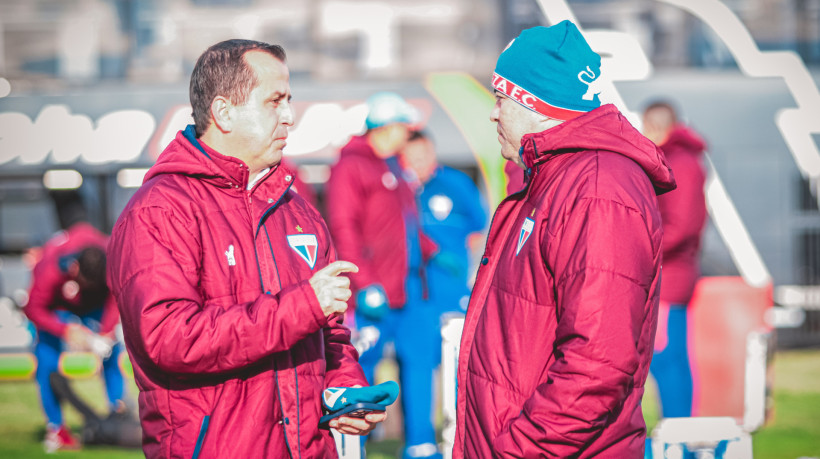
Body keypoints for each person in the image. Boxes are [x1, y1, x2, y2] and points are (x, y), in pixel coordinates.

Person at [106, 39, 383, 458]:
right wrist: (303, 305)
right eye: (275, 101)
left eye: (289, 100)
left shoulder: (299, 212)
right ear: (223, 112)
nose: (289, 116)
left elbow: (329, 334)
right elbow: (167, 338)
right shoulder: (160, 210)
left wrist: (344, 386)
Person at [454, 21, 676, 458]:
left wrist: (517, 449)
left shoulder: (598, 190)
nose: (493, 113)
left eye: (501, 98)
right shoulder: (552, 177)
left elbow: (598, 364)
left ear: (533, 103)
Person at [325, 92, 440, 459]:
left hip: (409, 289)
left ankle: (421, 445)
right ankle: (350, 448)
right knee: (358, 372)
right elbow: (344, 228)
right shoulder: (351, 167)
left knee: (419, 364)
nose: (407, 135)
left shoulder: (391, 166)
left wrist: (434, 252)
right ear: (386, 127)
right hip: (375, 293)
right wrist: (364, 283)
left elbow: (404, 225)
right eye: (402, 127)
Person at [24, 192, 126, 453]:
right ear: (74, 270)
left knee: (112, 351)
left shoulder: (113, 257)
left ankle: (118, 413)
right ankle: (56, 428)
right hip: (59, 307)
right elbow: (33, 308)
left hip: (95, 306)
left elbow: (115, 298)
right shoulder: (52, 262)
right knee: (45, 353)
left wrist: (103, 334)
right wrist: (65, 330)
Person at [642, 101, 707, 418]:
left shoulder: (680, 162)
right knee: (672, 359)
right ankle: (680, 434)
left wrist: (639, 249)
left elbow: (681, 225)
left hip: (670, 276)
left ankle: (680, 437)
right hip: (671, 273)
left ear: (653, 126)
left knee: (666, 359)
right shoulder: (680, 159)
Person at [400, 130, 487, 315]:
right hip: (409, 288)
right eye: (411, 158)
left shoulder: (457, 183)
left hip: (450, 285)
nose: (418, 163)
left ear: (432, 152)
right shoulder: (398, 189)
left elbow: (478, 229)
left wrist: (459, 260)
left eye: (422, 156)